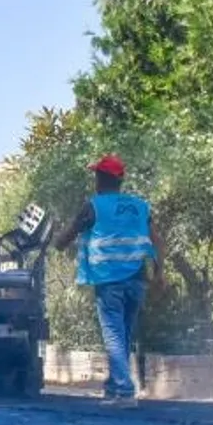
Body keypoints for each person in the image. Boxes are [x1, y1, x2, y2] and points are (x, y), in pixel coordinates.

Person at [53, 153, 166, 407]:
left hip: (109, 281)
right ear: (120, 180)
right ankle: (115, 386)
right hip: (137, 279)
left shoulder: (94, 206)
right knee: (123, 334)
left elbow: (68, 235)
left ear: (100, 178)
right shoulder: (140, 206)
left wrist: (56, 243)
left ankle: (124, 391)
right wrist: (159, 273)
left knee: (114, 334)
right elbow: (157, 240)